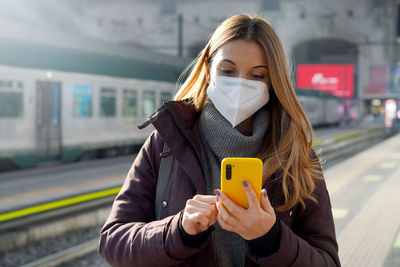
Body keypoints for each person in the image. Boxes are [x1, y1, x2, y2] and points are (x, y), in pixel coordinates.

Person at [98, 14, 340, 267]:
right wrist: (178, 230)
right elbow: (112, 242)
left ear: (272, 82)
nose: (240, 84)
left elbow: (327, 262)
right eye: (227, 70)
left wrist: (271, 238)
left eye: (257, 76)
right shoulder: (165, 144)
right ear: (207, 70)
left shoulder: (295, 157)